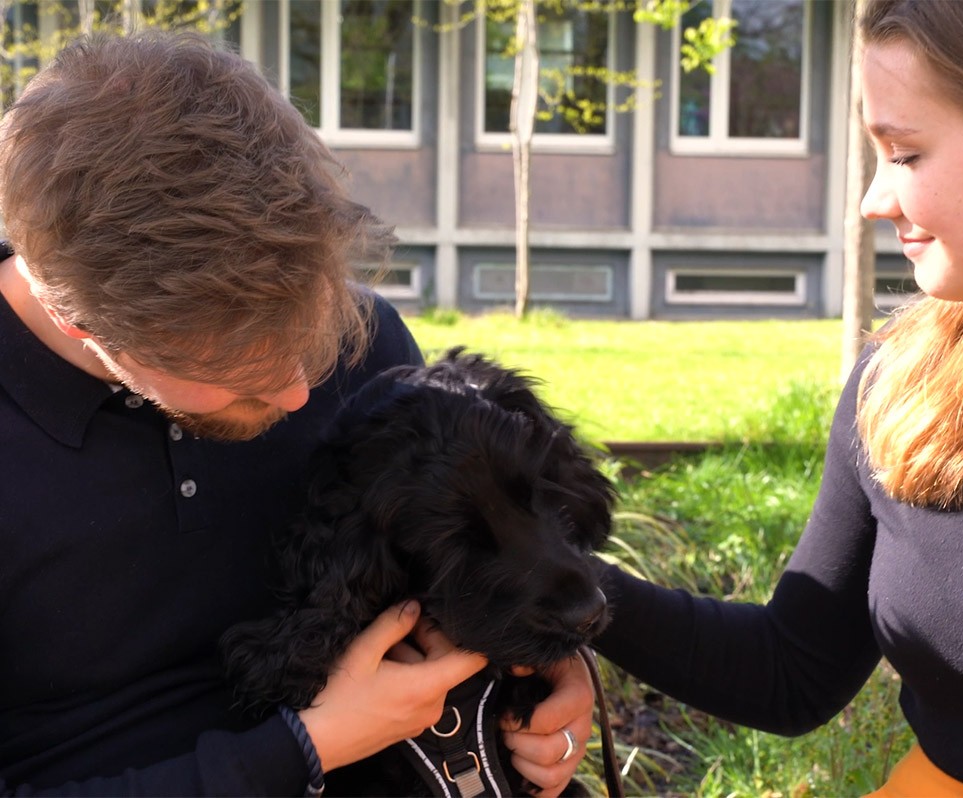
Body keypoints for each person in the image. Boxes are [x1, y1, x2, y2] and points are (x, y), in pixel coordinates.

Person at [593, 0, 963, 794]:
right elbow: (792, 670)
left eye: (906, 153)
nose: (873, 200)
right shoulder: (905, 379)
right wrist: (558, 587)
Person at [0, 31, 594, 796]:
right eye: (238, 379)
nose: (298, 394)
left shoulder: (364, 343)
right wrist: (303, 749)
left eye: (311, 339)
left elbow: (476, 557)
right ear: (83, 325)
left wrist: (549, 670)